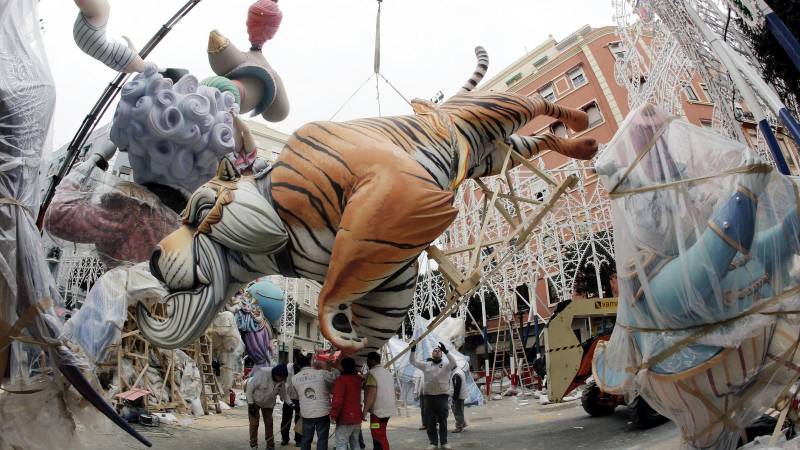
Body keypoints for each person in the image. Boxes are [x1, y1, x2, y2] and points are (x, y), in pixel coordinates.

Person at [410, 342, 457, 450]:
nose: (436, 352)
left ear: (441, 354)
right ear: (432, 354)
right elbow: (412, 361)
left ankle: (444, 442)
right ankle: (433, 443)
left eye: (439, 351)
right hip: (429, 397)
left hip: (442, 397)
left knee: (443, 421)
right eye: (434, 351)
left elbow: (454, 362)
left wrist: (446, 351)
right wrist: (412, 350)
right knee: (430, 421)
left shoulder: (446, 365)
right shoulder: (426, 365)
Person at [290, 354, 338, 450]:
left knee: (306, 439)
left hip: (306, 414)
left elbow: (295, 395)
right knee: (322, 440)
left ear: (298, 365)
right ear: (310, 362)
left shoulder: (294, 378)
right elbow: (335, 377)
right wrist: (329, 366)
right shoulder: (322, 373)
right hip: (323, 412)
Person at [246, 364, 290, 450]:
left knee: (269, 423)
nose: (282, 380)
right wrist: (250, 404)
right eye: (280, 378)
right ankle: (253, 444)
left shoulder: (281, 380)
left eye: (283, 378)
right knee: (254, 423)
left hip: (268, 403)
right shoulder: (262, 373)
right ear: (275, 374)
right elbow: (249, 388)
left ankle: (270, 444)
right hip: (255, 401)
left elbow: (284, 394)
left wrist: (291, 404)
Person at [362, 351, 395, 450]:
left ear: (372, 360)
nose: (367, 363)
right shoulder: (388, 373)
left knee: (377, 437)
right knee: (382, 434)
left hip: (378, 413)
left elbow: (371, 394)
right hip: (388, 411)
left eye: (367, 361)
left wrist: (364, 411)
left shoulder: (372, 374)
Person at [330, 357, 362, 450]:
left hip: (345, 418)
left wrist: (333, 415)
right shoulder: (358, 379)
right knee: (355, 443)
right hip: (357, 417)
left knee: (341, 443)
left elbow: (337, 400)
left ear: (343, 367)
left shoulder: (341, 380)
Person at [280, 360, 301, 446]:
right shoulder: (288, 367)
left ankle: (298, 440)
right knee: (286, 419)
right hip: (288, 397)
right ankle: (285, 438)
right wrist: (282, 395)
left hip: (300, 398)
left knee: (299, 420)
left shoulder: (304, 370)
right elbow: (283, 381)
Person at [450, 366, 468, 433]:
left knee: (457, 411)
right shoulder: (459, 371)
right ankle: (463, 423)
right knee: (459, 410)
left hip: (458, 396)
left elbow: (457, 388)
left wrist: (454, 398)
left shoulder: (456, 374)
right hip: (461, 395)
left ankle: (459, 427)